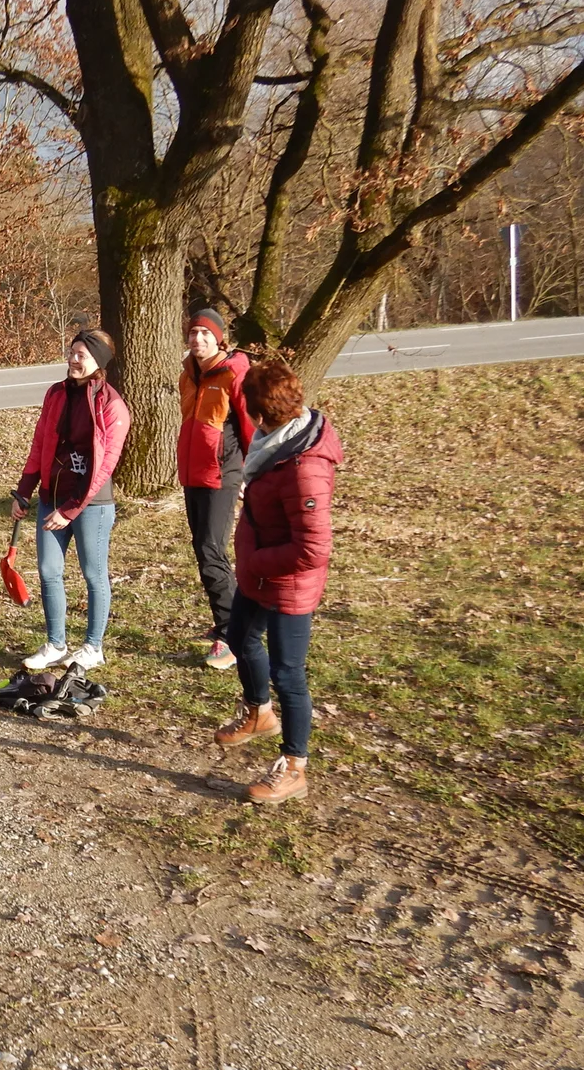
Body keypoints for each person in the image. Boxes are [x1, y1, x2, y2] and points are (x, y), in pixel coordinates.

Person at [213, 359, 343, 804]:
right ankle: (258, 712)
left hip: (288, 581)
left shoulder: (304, 466)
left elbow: (314, 549)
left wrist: (258, 563)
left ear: (260, 412)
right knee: (240, 636)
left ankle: (294, 767)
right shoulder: (275, 442)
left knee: (289, 674)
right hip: (260, 571)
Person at [9, 328, 131, 671]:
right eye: (72, 352)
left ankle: (93, 647)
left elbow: (105, 464)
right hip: (52, 497)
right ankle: (55, 644)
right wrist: (25, 489)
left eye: (81, 355)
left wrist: (70, 510)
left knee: (94, 575)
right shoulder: (56, 394)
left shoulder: (112, 404)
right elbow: (40, 444)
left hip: (91, 504)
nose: (73, 360)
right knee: (49, 571)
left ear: (98, 363)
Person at [177, 306, 255, 672]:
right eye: (193, 333)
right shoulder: (189, 375)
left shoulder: (234, 373)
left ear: (219, 337)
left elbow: (252, 428)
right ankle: (232, 620)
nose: (198, 339)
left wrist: (251, 475)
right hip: (193, 475)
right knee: (204, 550)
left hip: (223, 474)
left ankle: (232, 634)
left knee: (211, 552)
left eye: (206, 333)